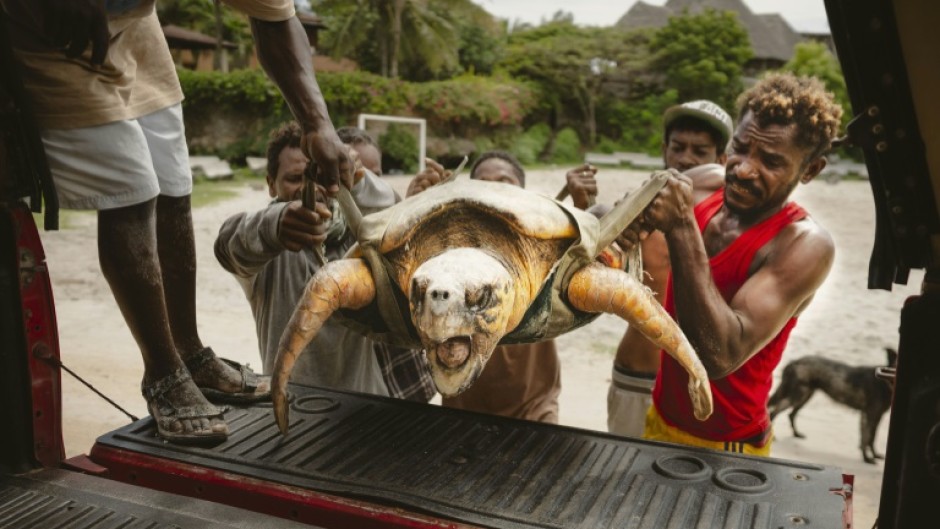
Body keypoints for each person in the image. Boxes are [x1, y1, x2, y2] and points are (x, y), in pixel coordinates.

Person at [0, 0, 354, 443]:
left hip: (132, 19)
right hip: (51, 18)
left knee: (172, 175)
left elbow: (276, 21)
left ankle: (189, 353)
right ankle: (163, 373)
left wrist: (317, 123)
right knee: (129, 184)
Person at [618, 73, 841, 455]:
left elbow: (720, 354)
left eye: (770, 161)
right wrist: (621, 222)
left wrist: (682, 224)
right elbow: (623, 215)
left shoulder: (805, 245)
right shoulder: (704, 182)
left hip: (728, 446)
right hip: (659, 417)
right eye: (740, 147)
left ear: (810, 170)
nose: (743, 169)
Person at [215, 122, 435, 402]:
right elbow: (228, 242)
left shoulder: (359, 234)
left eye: (320, 176)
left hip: (368, 411)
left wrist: (358, 178)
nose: (311, 188)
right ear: (271, 184)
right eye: (296, 178)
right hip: (295, 414)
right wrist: (278, 223)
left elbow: (395, 212)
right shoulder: (267, 250)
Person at [408, 151, 597, 422]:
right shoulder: (445, 251)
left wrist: (582, 206)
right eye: (482, 183)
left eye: (504, 182)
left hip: (535, 408)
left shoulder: (544, 244)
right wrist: (415, 206)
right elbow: (405, 284)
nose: (493, 189)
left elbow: (586, 257)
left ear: (524, 194)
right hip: (461, 407)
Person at [607, 99, 733, 437]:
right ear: (664, 149)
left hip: (699, 388)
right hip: (639, 372)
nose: (686, 158)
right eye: (678, 147)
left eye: (700, 151)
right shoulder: (639, 208)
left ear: (722, 160)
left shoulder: (729, 224)